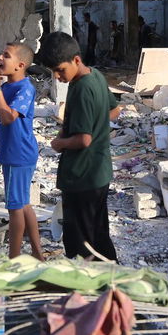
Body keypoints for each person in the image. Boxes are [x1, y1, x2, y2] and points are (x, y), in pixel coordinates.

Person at [39, 32, 121, 261]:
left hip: (82, 176)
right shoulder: (95, 76)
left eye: (60, 70)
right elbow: (114, 110)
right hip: (99, 173)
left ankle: (86, 288)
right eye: (53, 72)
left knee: (80, 241)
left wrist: (59, 143)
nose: (57, 76)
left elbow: (83, 139)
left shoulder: (83, 88)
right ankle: (112, 277)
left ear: (76, 60)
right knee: (99, 233)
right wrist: (96, 125)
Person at [0, 43, 41, 258]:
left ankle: (14, 259)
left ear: (20, 65)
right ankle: (37, 253)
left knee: (15, 208)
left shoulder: (24, 88)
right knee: (23, 204)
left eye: (6, 55)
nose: (0, 57)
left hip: (18, 153)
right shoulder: (6, 86)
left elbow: (8, 117)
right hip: (18, 152)